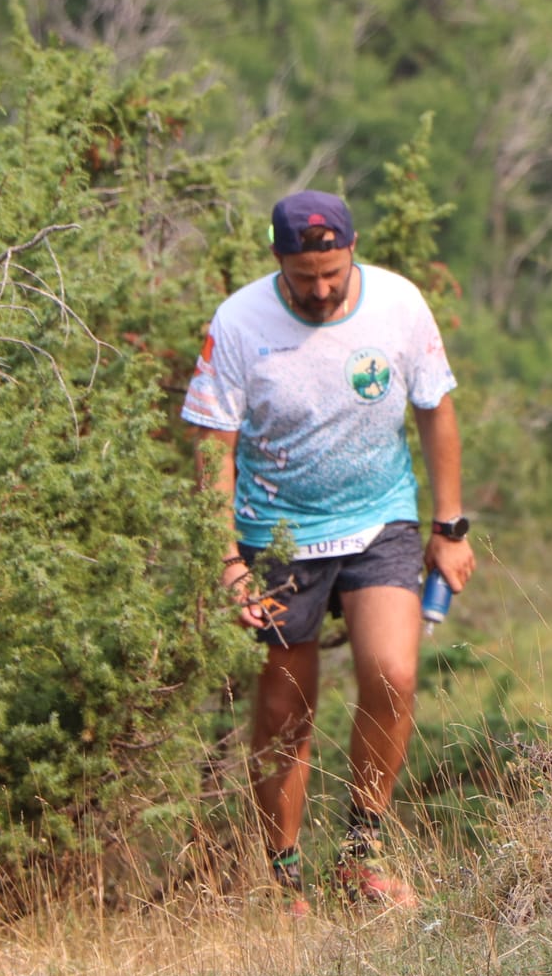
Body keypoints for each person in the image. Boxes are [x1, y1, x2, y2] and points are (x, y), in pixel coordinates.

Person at [182, 190, 475, 912]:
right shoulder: (240, 321)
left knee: (393, 675)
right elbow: (213, 446)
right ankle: (283, 881)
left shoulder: (399, 304)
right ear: (278, 260)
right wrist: (226, 559)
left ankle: (360, 859)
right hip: (277, 534)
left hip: (380, 521)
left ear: (352, 252)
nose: (319, 290)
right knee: (286, 709)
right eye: (303, 277)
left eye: (332, 275)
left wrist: (450, 527)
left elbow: (436, 410)